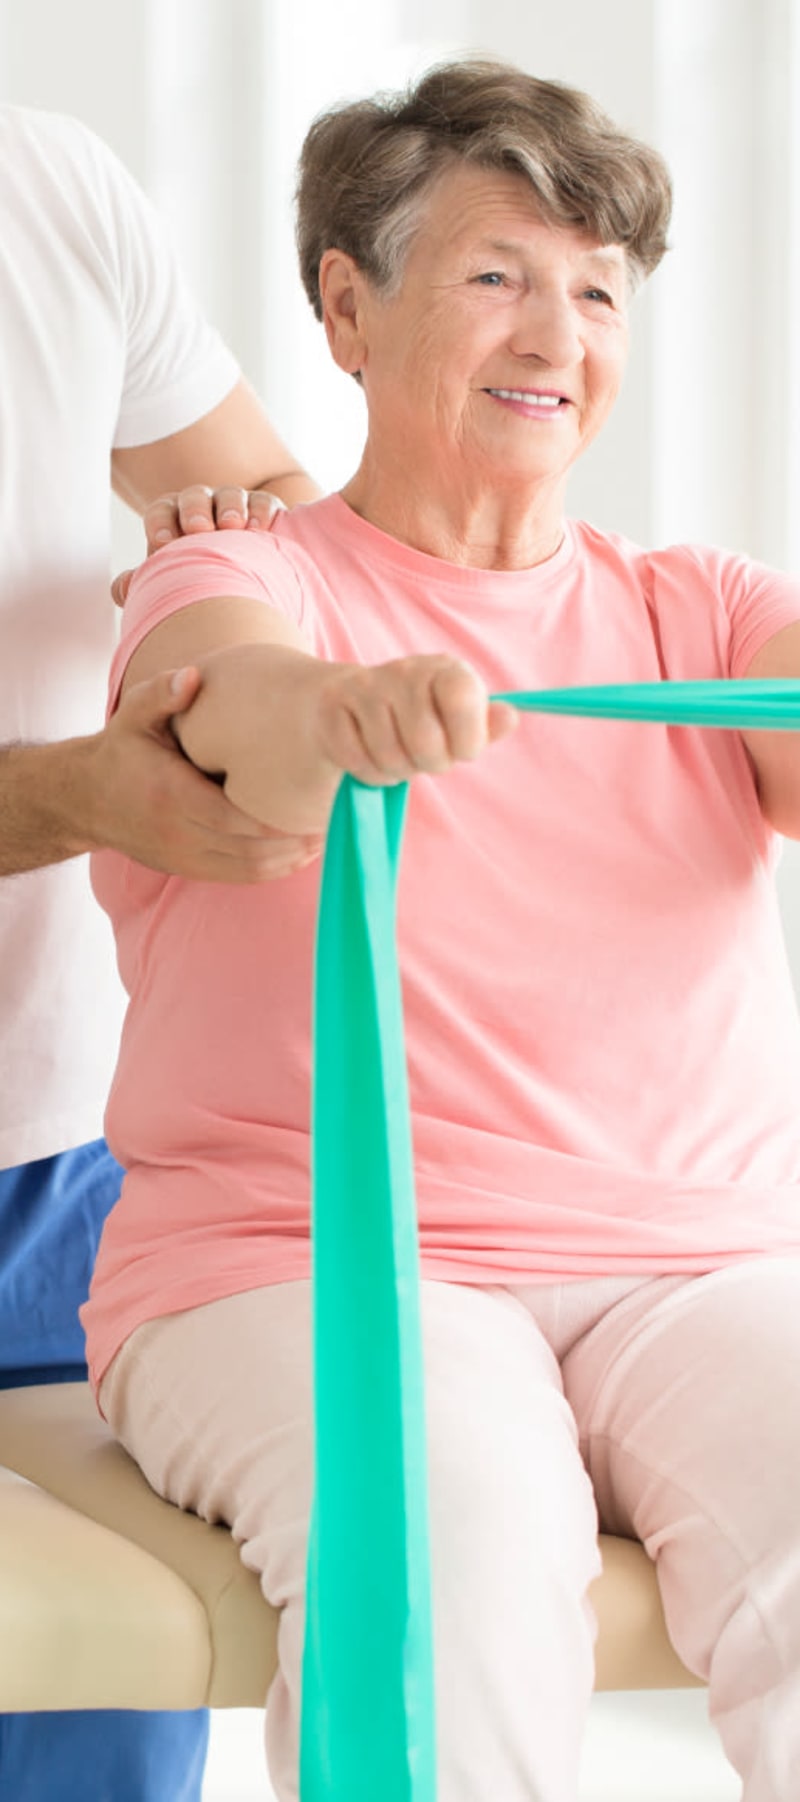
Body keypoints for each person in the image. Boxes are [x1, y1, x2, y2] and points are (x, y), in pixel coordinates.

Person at [82, 59, 800, 1802]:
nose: (556, 328)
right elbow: (224, 713)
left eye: (598, 289)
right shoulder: (247, 574)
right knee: (455, 1552)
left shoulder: (691, 608)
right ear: (346, 306)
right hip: (307, 1255)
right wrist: (338, 715)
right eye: (498, 274)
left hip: (695, 1264)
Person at [0, 101, 318, 1802]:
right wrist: (76, 796)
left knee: (105, 1707)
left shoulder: (48, 189)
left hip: (57, 1152)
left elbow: (276, 498)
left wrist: (216, 561)